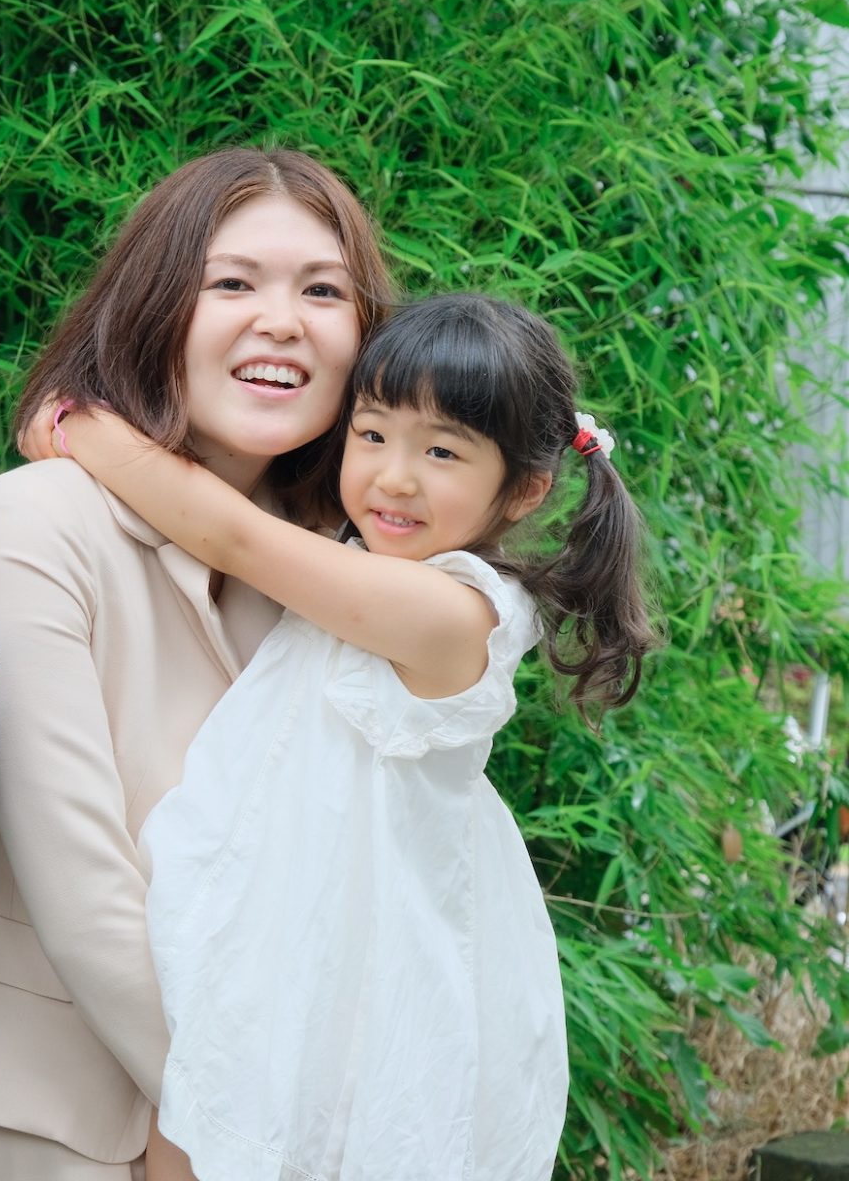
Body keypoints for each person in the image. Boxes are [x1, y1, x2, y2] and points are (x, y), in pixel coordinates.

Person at [0, 146, 398, 1180]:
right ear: (156, 307)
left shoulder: (343, 568)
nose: (281, 320)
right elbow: (86, 892)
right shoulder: (36, 521)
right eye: (232, 283)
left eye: (323, 291)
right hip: (41, 1117)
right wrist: (244, 1125)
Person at [44, 293, 654, 1180]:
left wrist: (73, 427)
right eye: (371, 435)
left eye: (442, 451)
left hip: (356, 961)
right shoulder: (359, 559)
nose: (393, 477)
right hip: (277, 933)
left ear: (524, 489)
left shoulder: (456, 610)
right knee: (197, 1130)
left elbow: (233, 538)